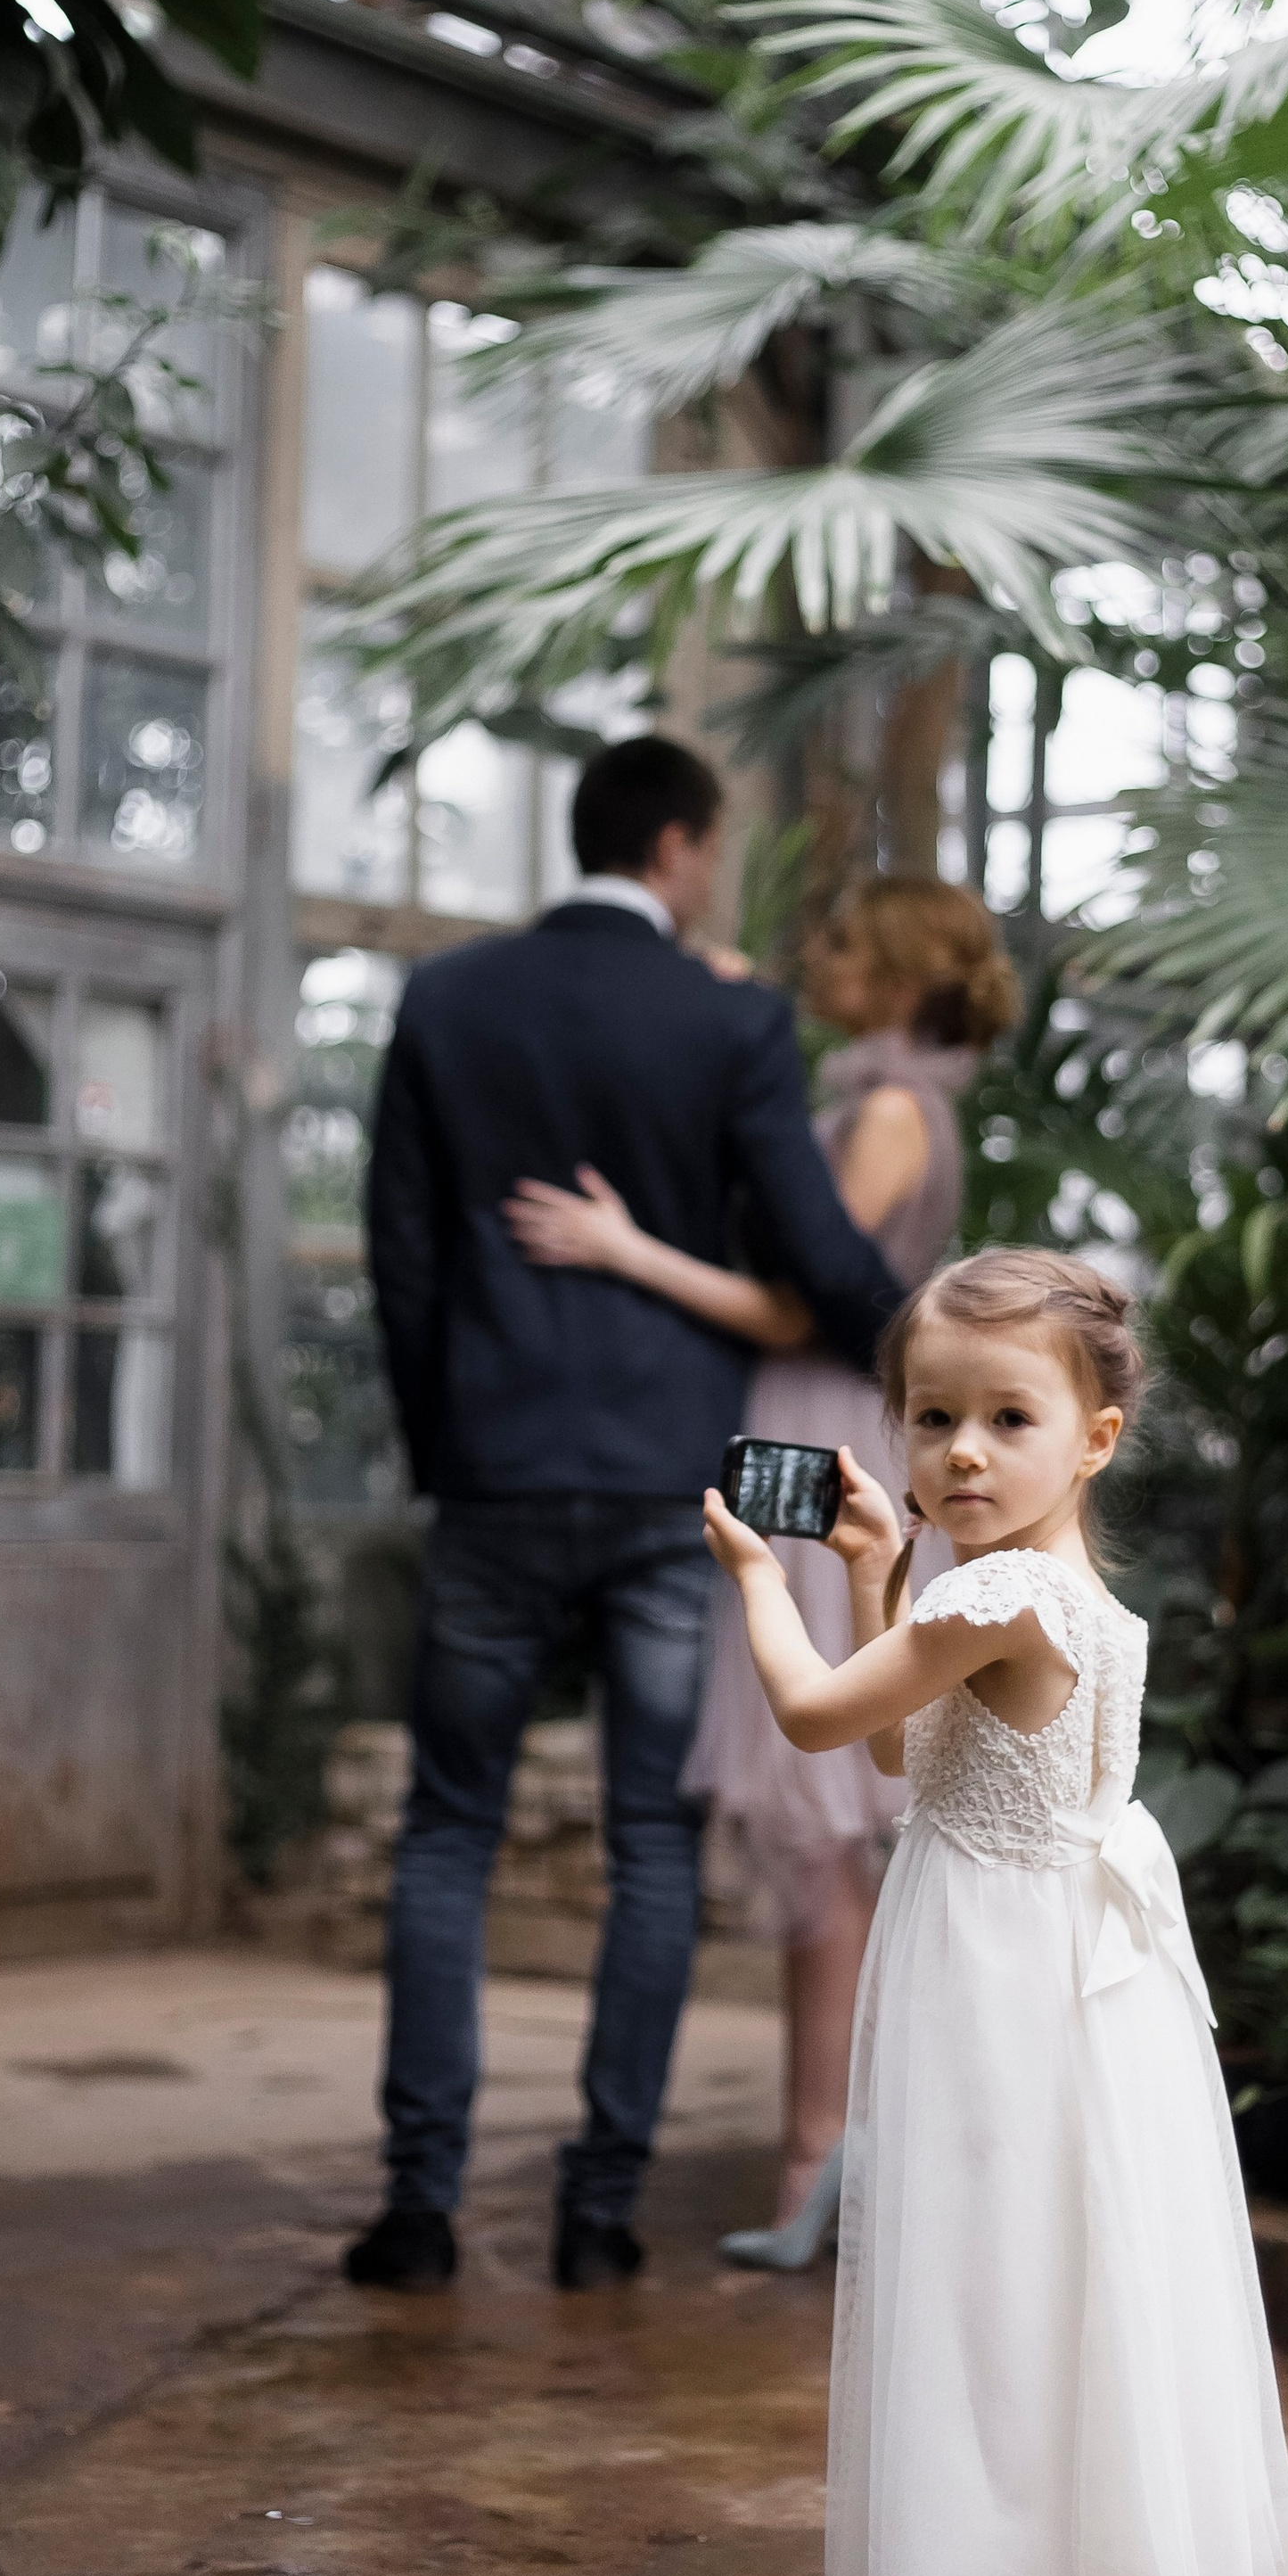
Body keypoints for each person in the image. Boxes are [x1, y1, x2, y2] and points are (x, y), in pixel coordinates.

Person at [702, 1250, 1288, 2576]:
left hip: (999, 1998)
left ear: (1094, 1437)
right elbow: (912, 1747)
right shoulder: (1067, 1595)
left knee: (992, 2335)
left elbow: (822, 1721)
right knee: (1090, 2329)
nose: (960, 1450)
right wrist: (868, 1570)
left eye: (1007, 1418)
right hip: (1085, 2001)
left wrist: (757, 1580)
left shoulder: (993, 1596)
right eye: (930, 1415)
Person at [349, 736, 907, 2296]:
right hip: (676, 1483)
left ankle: (419, 2209)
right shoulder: (727, 1018)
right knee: (652, 1846)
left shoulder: (448, 998)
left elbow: (402, 1254)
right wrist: (931, 1347)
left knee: (446, 1830)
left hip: (496, 1471)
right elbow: (814, 1247)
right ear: (675, 847)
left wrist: (448, 1439)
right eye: (711, 851)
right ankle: (598, 2216)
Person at [505, 879, 1018, 2264]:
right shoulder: (879, 1097)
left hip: (821, 1427)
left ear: (900, 976)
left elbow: (799, 1301)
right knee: (825, 1825)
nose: (818, 954)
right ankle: (835, 2153)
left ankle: (819, 2159)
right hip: (809, 1427)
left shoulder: (894, 1110)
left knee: (824, 1817)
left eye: (843, 942)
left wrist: (624, 1250)